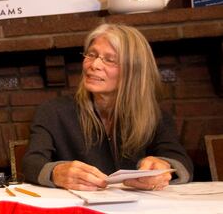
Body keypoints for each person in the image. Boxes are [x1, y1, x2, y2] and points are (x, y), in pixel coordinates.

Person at [22, 23, 193, 191]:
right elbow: (32, 163)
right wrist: (56, 172)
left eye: (110, 60)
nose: (94, 65)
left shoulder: (156, 117)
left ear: (134, 72)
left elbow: (182, 162)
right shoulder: (53, 111)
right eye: (91, 54)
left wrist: (165, 167)